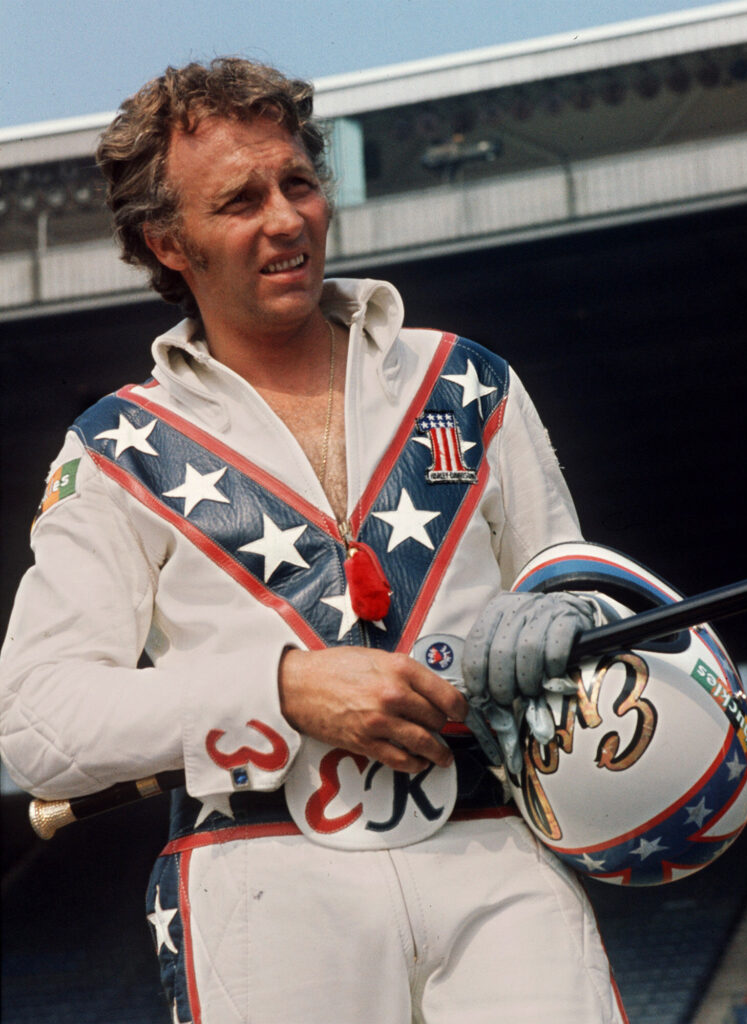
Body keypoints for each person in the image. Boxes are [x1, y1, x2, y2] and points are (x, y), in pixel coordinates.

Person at [0, 59, 627, 1023]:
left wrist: (563, 618)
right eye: (239, 201)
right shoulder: (118, 447)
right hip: (260, 880)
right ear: (167, 242)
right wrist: (284, 690)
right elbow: (36, 723)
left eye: (297, 182)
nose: (286, 219)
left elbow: (572, 589)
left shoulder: (467, 381)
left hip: (501, 844)